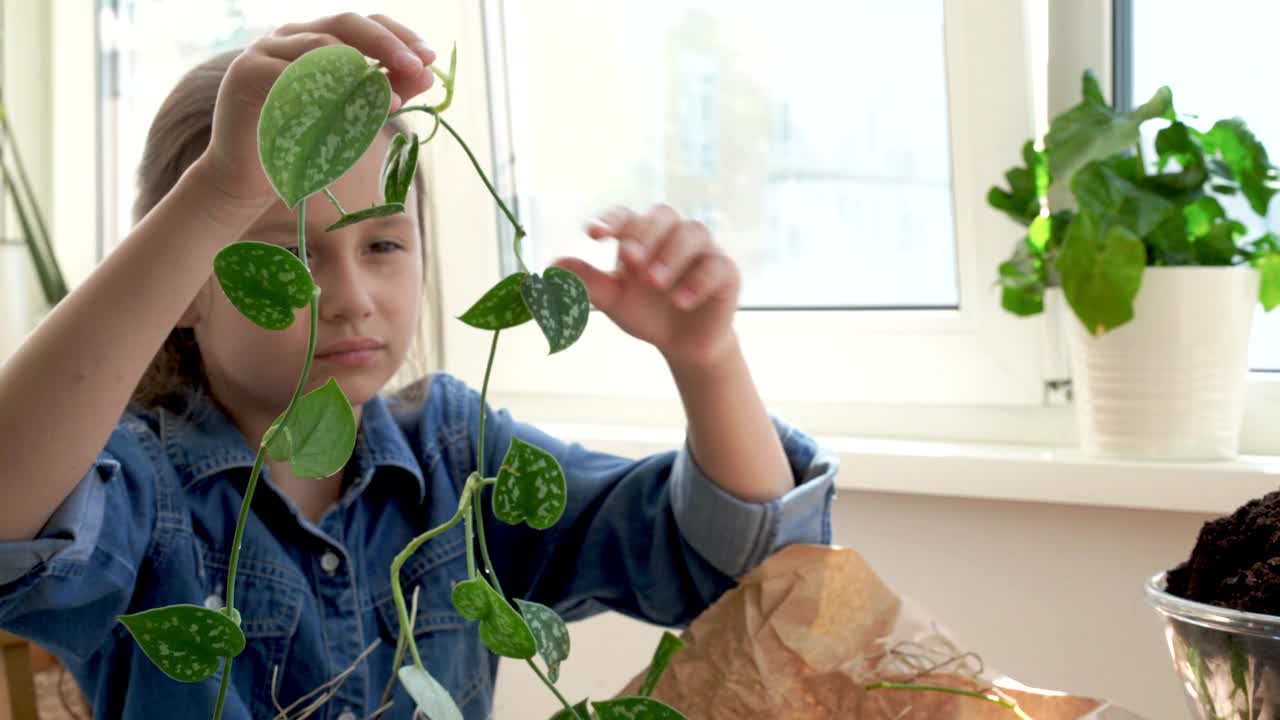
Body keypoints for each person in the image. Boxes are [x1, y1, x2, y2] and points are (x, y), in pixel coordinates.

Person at [0, 12, 836, 720]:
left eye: (384, 243)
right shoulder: (141, 491)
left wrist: (706, 359)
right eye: (291, 256)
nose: (353, 296)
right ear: (185, 285)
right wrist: (219, 187)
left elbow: (746, 573)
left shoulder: (457, 458)